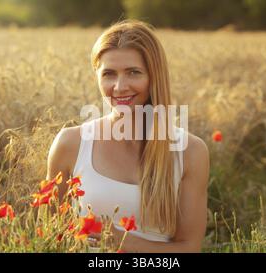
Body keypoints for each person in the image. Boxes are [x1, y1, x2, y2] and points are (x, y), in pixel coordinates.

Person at [46, 19, 209, 253]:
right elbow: (50, 237)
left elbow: (189, 248)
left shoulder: (190, 151)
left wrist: (124, 243)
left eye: (133, 73)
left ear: (155, 76)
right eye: (109, 74)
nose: (120, 87)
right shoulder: (71, 143)